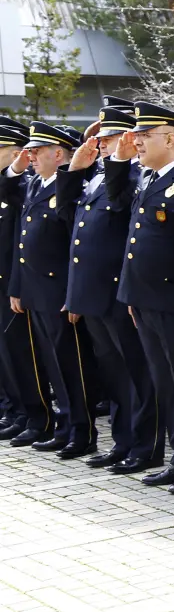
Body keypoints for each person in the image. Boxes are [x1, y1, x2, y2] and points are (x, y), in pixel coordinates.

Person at [106, 103, 174, 494]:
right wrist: (132, 295)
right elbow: (122, 212)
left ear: (169, 137)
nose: (135, 141)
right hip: (146, 299)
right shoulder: (149, 178)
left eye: (143, 135)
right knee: (165, 383)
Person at [57, 107, 164, 471]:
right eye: (101, 140)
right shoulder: (97, 177)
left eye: (109, 139)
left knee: (137, 373)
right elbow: (68, 218)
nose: (101, 146)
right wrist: (74, 169)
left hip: (119, 293)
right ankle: (123, 441)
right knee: (115, 373)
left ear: (128, 141)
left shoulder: (134, 177)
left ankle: (145, 445)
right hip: (93, 294)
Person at [11, 122, 97, 459]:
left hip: (59, 292)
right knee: (53, 365)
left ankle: (82, 433)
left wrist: (74, 294)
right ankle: (65, 427)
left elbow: (75, 249)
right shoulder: (35, 184)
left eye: (36, 151)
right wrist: (18, 288)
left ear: (58, 153)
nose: (29, 156)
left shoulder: (69, 188)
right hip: (36, 292)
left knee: (72, 366)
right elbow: (22, 244)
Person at [0, 120, 52, 446]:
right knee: (7, 354)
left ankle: (37, 415)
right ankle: (16, 411)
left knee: (25, 354)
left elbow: (19, 244)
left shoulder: (26, 187)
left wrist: (16, 286)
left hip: (15, 284)